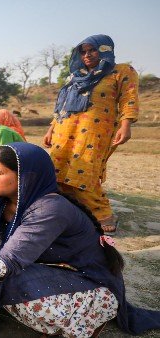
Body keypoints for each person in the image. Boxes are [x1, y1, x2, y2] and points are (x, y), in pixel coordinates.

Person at [0, 143, 160, 337]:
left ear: (26, 177)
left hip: (90, 280)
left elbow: (6, 263)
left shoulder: (49, 209)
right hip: (54, 267)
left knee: (9, 282)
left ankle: (87, 315)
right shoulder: (2, 199)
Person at [43, 34, 139, 235]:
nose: (87, 55)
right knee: (58, 171)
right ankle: (69, 210)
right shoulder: (76, 75)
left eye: (92, 50)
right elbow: (63, 106)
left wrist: (126, 124)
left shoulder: (120, 71)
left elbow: (128, 98)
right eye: (83, 51)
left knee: (85, 170)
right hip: (65, 129)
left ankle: (103, 213)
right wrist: (52, 127)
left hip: (96, 132)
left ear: (105, 49)